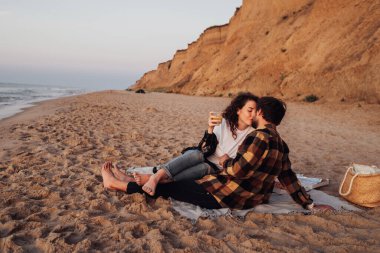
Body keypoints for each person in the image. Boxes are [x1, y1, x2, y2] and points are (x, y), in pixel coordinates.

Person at [101, 96, 333, 211]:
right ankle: (133, 179)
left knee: (167, 189)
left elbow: (237, 170)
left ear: (260, 112)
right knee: (186, 174)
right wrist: (309, 205)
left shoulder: (258, 137)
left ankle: (117, 185)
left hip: (226, 194)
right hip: (251, 198)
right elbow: (289, 178)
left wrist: (225, 160)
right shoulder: (281, 144)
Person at [113, 92, 259, 196]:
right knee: (196, 154)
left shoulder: (254, 133)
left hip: (213, 167)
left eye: (255, 111)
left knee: (189, 172)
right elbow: (204, 147)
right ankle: (155, 178)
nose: (252, 115)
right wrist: (209, 129)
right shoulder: (224, 121)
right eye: (249, 110)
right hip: (202, 155)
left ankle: (135, 179)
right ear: (238, 110)